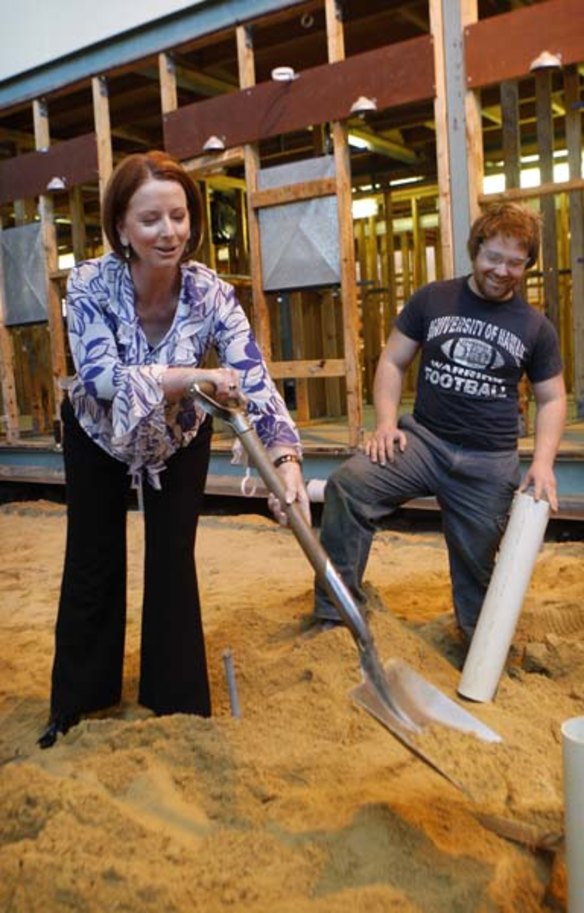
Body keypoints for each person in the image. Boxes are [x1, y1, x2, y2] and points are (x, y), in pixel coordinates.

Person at [39, 150, 309, 748]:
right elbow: (103, 378)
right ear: (121, 231)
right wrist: (190, 377)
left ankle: (176, 703)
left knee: (172, 559)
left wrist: (285, 461)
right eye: (151, 220)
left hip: (178, 434)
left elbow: (251, 375)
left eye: (180, 217)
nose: (170, 233)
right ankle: (79, 704)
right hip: (98, 433)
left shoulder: (211, 292)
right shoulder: (88, 283)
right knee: (93, 559)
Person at [314, 202, 566, 645]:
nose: (501, 270)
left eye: (515, 262)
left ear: (527, 264)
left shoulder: (535, 326)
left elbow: (551, 397)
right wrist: (386, 423)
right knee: (349, 486)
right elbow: (393, 361)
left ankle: (478, 650)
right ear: (476, 249)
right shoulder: (433, 299)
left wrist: (543, 462)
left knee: (478, 568)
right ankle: (335, 619)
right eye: (493, 257)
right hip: (423, 443)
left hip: (488, 461)